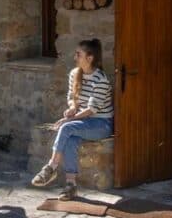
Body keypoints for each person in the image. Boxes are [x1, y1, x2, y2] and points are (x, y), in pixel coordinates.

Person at [30, 38, 114, 200]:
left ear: (89, 58)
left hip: (101, 124)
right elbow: (71, 97)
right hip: (83, 122)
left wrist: (67, 120)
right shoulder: (75, 74)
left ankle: (51, 167)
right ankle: (71, 185)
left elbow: (91, 110)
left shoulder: (101, 80)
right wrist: (72, 108)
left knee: (67, 128)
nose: (75, 57)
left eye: (78, 54)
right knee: (70, 139)